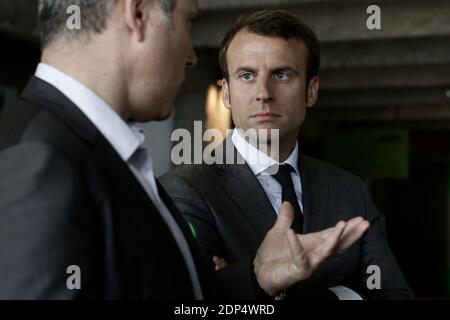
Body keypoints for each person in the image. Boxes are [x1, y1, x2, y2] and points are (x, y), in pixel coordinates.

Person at [0, 1, 369, 299]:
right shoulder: (39, 161)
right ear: (139, 15)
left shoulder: (99, 152)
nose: (192, 56)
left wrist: (257, 278)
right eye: (188, 23)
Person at [160, 10, 413, 300]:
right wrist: (345, 294)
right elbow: (195, 303)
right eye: (247, 75)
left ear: (311, 91)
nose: (264, 93)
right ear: (227, 93)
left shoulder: (350, 190)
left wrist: (245, 284)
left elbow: (394, 295)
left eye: (281, 75)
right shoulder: (184, 190)